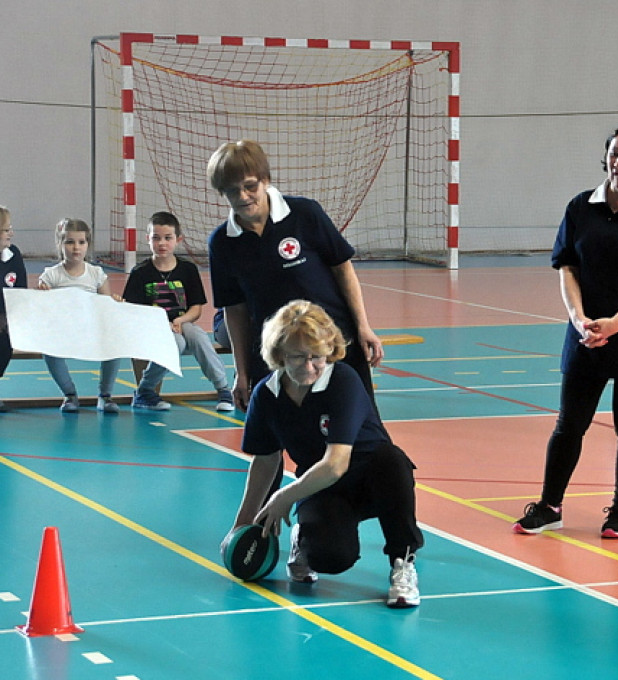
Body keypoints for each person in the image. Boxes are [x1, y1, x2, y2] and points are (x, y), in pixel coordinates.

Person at [513, 119, 618, 539]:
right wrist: (578, 317)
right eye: (614, 154)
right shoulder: (581, 206)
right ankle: (550, 506)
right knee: (570, 422)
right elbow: (567, 266)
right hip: (586, 331)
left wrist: (617, 323)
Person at [223, 299, 422, 607]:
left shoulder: (343, 381)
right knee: (331, 558)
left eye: (316, 357)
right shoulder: (266, 394)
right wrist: (242, 524)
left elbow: (335, 464)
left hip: (372, 482)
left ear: (329, 351)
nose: (309, 366)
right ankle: (304, 539)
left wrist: (283, 497)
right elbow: (265, 459)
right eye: (297, 357)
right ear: (279, 354)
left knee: (393, 462)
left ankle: (403, 563)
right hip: (320, 487)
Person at [206, 139, 383, 412]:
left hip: (333, 343)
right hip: (275, 353)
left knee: (355, 424)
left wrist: (363, 326)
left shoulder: (305, 214)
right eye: (232, 190)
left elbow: (343, 268)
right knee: (280, 430)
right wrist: (241, 372)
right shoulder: (222, 242)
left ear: (265, 180)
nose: (243, 196)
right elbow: (235, 310)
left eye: (250, 186)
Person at [123, 211, 234, 412]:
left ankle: (223, 389)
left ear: (178, 240)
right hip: (153, 330)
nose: (162, 243)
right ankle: (144, 391)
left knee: (198, 336)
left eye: (168, 238)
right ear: (148, 239)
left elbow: (196, 308)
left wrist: (180, 321)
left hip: (182, 325)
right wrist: (162, 325)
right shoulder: (140, 272)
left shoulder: (188, 270)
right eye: (156, 238)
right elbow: (134, 312)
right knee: (177, 343)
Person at [37, 219, 121, 414]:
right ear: (60, 244)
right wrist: (42, 296)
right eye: (70, 242)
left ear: (87, 245)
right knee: (49, 351)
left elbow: (106, 307)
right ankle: (70, 394)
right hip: (63, 332)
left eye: (81, 242)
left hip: (91, 331)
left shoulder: (96, 274)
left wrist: (114, 302)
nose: (76, 247)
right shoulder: (51, 275)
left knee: (115, 346)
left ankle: (105, 396)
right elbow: (42, 310)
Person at [0, 206, 28, 413]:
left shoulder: (13, 255)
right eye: (6, 230)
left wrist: (9, 318)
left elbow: (20, 290)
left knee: (4, 345)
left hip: (5, 322)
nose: (11, 233)